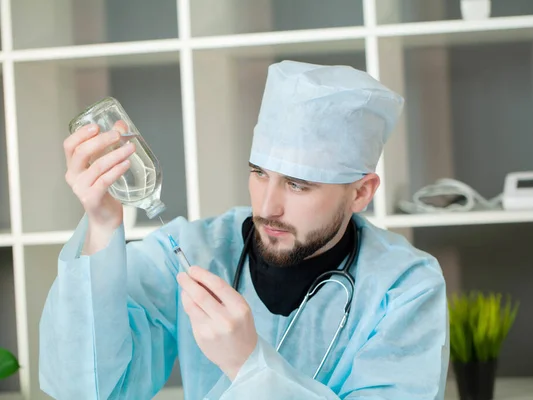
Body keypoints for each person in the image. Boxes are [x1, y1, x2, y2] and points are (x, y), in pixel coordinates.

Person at [39, 60, 449, 399]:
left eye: (297, 184)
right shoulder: (190, 250)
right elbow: (87, 390)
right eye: (259, 173)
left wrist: (246, 362)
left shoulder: (405, 286)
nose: (267, 207)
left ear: (361, 193)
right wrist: (103, 222)